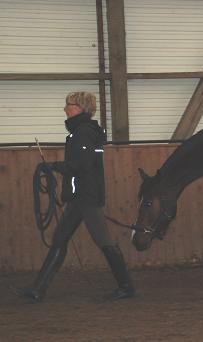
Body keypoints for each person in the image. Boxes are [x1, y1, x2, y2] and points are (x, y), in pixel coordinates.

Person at [16, 91, 135, 302]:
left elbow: (81, 165)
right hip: (79, 197)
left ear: (80, 108)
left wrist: (53, 166)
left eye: (68, 104)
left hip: (86, 197)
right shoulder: (81, 133)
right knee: (60, 239)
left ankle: (126, 286)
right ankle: (38, 288)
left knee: (103, 240)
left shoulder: (83, 134)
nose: (65, 108)